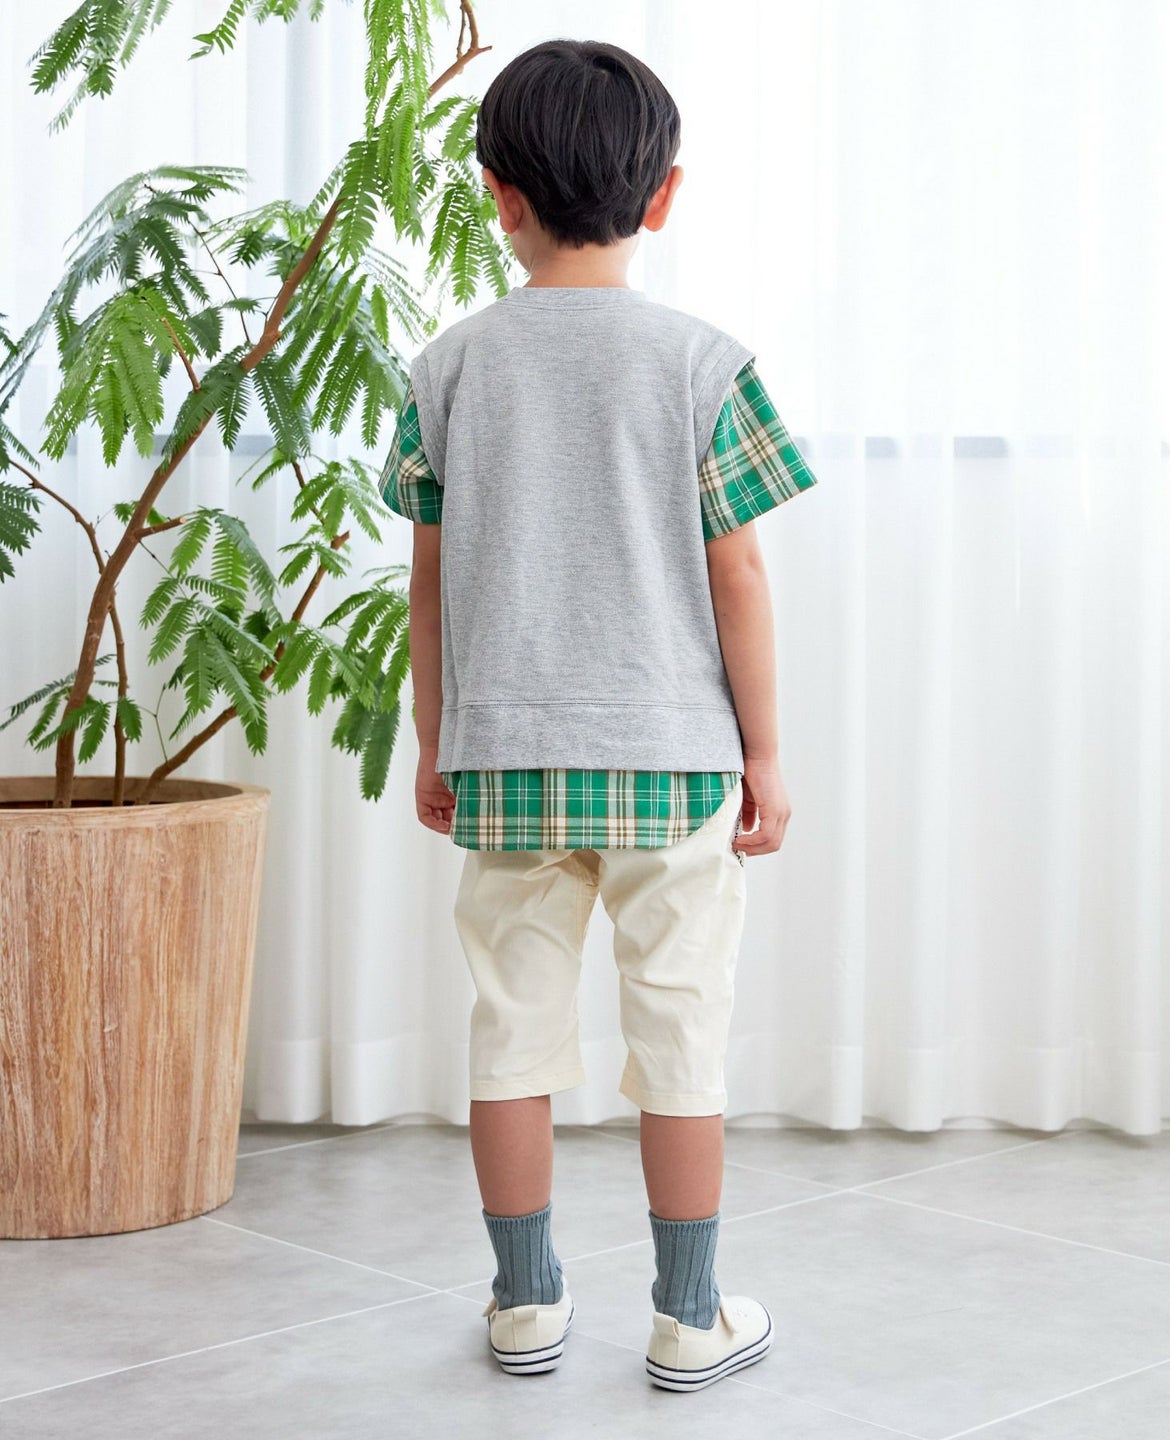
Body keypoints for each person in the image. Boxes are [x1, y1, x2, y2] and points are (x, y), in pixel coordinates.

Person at [379, 36, 817, 1392]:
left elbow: (431, 585)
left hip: (507, 762)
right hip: (673, 765)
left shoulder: (449, 368)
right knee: (680, 1038)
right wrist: (763, 755)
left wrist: (438, 741)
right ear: (663, 195)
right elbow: (739, 576)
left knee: (509, 1035)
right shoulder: (703, 364)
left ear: (497, 195)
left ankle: (525, 1304)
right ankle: (690, 1316)